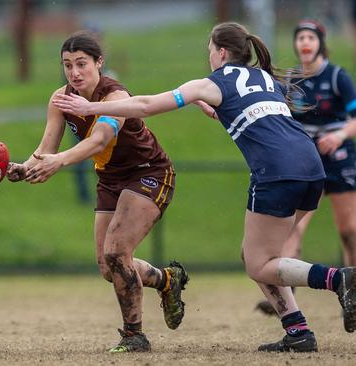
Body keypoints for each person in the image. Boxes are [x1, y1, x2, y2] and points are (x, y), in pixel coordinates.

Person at [52, 22, 356, 353]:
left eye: (210, 50)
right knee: (256, 255)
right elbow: (257, 114)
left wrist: (91, 107)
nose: (209, 56)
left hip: (277, 172)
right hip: (311, 167)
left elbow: (145, 105)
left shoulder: (213, 82)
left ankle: (337, 278)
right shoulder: (264, 77)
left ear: (221, 52)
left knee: (259, 263)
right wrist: (217, 111)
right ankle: (298, 332)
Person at [6, 30, 189, 353]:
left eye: (81, 64)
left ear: (99, 63)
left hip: (148, 173)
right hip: (111, 180)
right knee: (109, 266)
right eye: (67, 65)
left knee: (117, 252)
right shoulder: (60, 99)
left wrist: (59, 161)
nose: (74, 73)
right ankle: (167, 280)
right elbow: (45, 149)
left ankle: (134, 336)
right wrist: (24, 167)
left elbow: (100, 140)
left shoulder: (115, 97)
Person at [256, 19, 356, 316]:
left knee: (349, 231)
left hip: (339, 157)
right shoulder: (291, 80)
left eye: (310, 37)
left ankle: (353, 292)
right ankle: (287, 298)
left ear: (320, 43)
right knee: (291, 231)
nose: (305, 43)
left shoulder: (338, 77)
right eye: (300, 38)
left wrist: (338, 135)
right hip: (305, 159)